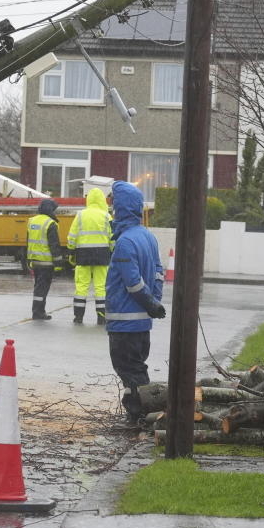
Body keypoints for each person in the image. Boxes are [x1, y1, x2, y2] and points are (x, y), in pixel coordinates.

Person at [104, 180, 166, 425]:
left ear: (121, 208)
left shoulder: (125, 242)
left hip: (124, 324)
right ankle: (137, 412)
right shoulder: (147, 237)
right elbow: (158, 272)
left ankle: (142, 414)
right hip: (141, 325)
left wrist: (151, 303)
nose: (112, 210)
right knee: (136, 368)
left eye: (114, 205)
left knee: (130, 371)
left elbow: (132, 283)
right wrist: (154, 302)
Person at [67, 187, 113, 325]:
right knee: (101, 286)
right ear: (101, 200)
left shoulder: (80, 215)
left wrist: (71, 250)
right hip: (102, 255)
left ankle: (78, 317)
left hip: (83, 255)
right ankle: (101, 317)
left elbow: (72, 236)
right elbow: (113, 237)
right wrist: (111, 250)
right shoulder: (106, 216)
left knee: (81, 287)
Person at [26, 198, 64, 320]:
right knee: (42, 288)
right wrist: (58, 263)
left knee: (38, 286)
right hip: (46, 263)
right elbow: (54, 245)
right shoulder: (50, 223)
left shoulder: (31, 221)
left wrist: (28, 259)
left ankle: (38, 311)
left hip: (35, 261)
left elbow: (28, 241)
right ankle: (38, 312)